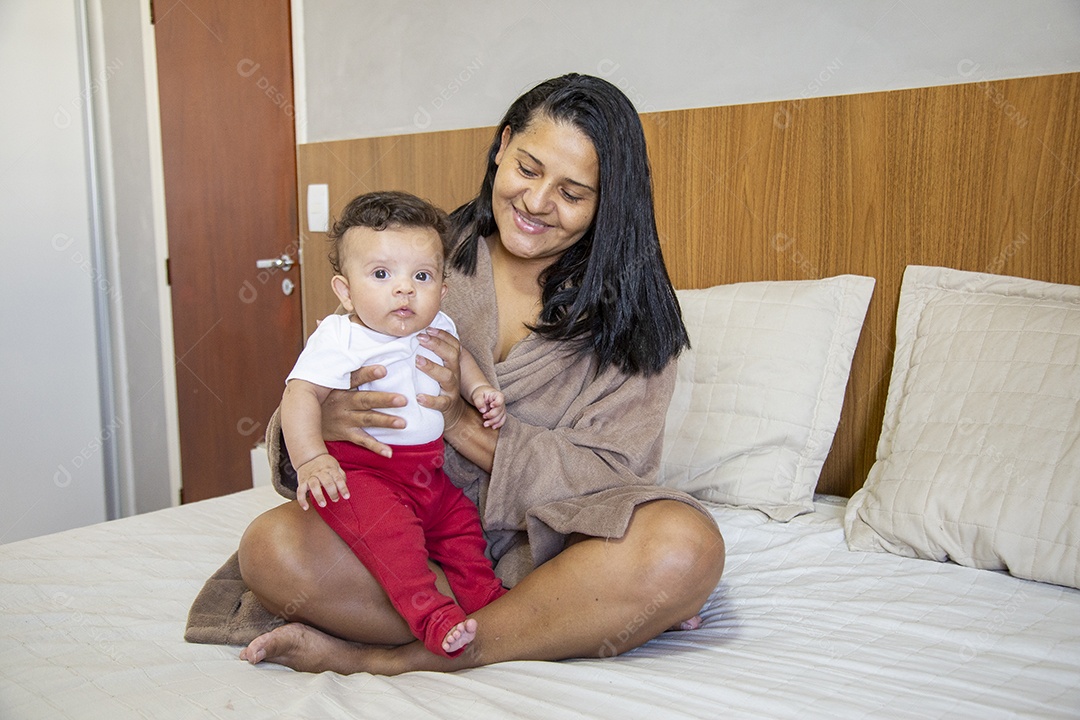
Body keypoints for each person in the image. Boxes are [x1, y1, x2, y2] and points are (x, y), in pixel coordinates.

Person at [233, 73, 726, 675]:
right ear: (502, 146)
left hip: (549, 555)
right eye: (527, 168)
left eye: (572, 193)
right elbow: (313, 392)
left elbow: (610, 479)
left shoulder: (633, 318)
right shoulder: (417, 258)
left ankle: (390, 656)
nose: (538, 202)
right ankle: (541, 624)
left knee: (684, 549)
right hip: (410, 534)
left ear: (608, 203)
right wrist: (329, 420)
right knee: (271, 550)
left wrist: (465, 424)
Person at [280, 191, 507, 657]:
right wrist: (311, 459)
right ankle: (432, 616)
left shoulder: (437, 322)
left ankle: (490, 602)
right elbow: (300, 394)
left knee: (463, 529)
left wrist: (481, 390)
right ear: (345, 291)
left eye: (421, 276)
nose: (404, 289)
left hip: (429, 474)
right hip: (367, 475)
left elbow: (458, 358)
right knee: (395, 541)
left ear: (442, 290)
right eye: (382, 274)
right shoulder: (340, 336)